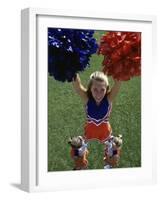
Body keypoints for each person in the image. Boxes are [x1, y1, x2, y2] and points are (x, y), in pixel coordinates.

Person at [72, 71, 121, 168]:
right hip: (89, 131)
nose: (98, 93)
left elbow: (118, 83)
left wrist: (116, 69)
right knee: (76, 149)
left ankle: (109, 162)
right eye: (95, 89)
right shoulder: (87, 99)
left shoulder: (109, 99)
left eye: (102, 90)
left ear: (107, 89)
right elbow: (77, 86)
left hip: (105, 132)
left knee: (114, 151)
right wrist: (73, 68)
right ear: (90, 89)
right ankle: (81, 163)